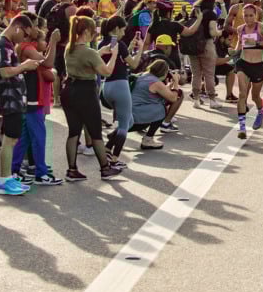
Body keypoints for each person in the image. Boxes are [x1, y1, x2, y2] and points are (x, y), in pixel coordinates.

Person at [62, 16, 121, 182]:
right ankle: (105, 168)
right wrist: (114, 55)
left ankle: (71, 169)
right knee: (95, 132)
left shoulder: (70, 48)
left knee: (73, 132)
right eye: (94, 30)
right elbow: (106, 71)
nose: (95, 33)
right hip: (85, 92)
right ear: (86, 31)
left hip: (69, 90)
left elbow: (87, 58)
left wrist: (100, 52)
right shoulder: (88, 52)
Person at [0, 15, 44, 195]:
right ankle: (4, 180)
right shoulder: (3, 46)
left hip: (15, 99)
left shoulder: (7, 45)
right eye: (24, 34)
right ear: (17, 27)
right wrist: (25, 66)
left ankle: (8, 177)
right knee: (9, 139)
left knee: (13, 138)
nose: (24, 39)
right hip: (9, 99)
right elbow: (5, 71)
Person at [13, 20, 62, 185]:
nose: (37, 28)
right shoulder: (27, 48)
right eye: (33, 26)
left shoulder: (24, 47)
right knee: (39, 136)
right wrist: (54, 42)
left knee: (25, 137)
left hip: (30, 97)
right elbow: (48, 63)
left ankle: (14, 169)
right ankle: (41, 173)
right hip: (33, 98)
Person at [98, 16, 144, 165]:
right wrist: (141, 48)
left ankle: (108, 146)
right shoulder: (119, 43)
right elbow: (134, 64)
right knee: (124, 125)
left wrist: (129, 48)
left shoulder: (102, 43)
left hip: (107, 87)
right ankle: (114, 159)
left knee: (129, 120)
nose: (124, 33)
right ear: (116, 29)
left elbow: (116, 58)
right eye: (123, 30)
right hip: (120, 86)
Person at [234, 3, 263, 139]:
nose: (248, 18)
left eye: (251, 15)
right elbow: (239, 46)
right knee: (242, 94)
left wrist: (258, 43)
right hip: (243, 64)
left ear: (255, 15)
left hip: (257, 66)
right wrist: (233, 52)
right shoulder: (240, 29)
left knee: (255, 96)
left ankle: (260, 111)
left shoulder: (261, 27)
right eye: (245, 15)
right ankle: (242, 128)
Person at [131, 59, 184, 150]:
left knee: (126, 127)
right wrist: (175, 82)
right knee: (161, 108)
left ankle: (115, 134)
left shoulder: (144, 75)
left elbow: (157, 91)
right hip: (139, 114)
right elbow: (173, 98)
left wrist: (169, 85)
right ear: (163, 72)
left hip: (131, 109)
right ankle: (148, 139)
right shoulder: (155, 82)